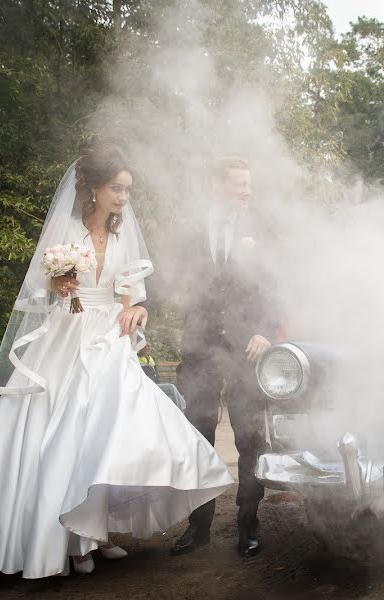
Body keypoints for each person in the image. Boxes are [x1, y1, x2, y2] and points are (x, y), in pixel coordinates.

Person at [0, 145, 233, 578]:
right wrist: (59, 282)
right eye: (116, 188)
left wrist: (138, 311)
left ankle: (95, 533)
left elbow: (132, 297)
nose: (123, 197)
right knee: (63, 433)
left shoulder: (121, 236)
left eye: (128, 190)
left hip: (108, 340)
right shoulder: (65, 228)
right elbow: (39, 290)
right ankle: (67, 542)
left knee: (105, 437)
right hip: (66, 338)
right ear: (94, 188)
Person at [170, 157, 277, 558]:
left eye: (249, 184)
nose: (247, 191)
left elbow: (276, 283)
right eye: (239, 185)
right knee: (197, 435)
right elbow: (171, 276)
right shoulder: (193, 229)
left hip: (246, 349)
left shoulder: (261, 229)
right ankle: (198, 529)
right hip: (199, 347)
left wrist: (265, 329)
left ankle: (249, 526)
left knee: (250, 438)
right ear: (218, 187)